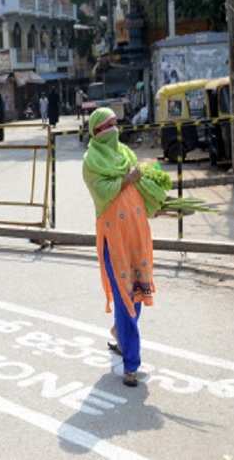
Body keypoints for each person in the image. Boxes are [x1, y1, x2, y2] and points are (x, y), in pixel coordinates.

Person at [83, 107, 158, 388]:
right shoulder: (91, 162)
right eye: (107, 125)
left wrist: (155, 199)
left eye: (116, 123)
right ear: (96, 131)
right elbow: (104, 192)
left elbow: (141, 187)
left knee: (135, 294)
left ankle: (119, 333)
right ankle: (131, 364)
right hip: (114, 240)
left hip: (137, 235)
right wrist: (128, 179)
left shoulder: (126, 153)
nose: (113, 129)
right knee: (126, 297)